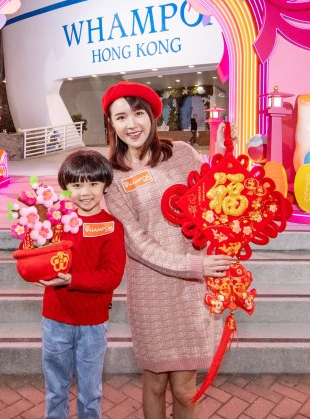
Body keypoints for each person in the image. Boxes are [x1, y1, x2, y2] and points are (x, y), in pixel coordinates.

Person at [100, 82, 236, 419]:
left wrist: (226, 158)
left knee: (186, 388)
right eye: (121, 117)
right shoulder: (113, 178)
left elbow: (213, 201)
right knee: (155, 382)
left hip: (192, 289)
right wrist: (196, 266)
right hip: (151, 289)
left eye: (138, 113)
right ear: (111, 124)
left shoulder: (182, 154)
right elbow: (138, 244)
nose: (132, 124)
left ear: (151, 116)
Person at [39, 149, 126, 419]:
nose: (85, 192)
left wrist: (72, 279)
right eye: (76, 185)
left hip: (93, 323)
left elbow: (111, 276)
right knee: (55, 391)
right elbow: (37, 256)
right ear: (66, 187)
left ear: (106, 185)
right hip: (55, 318)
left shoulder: (112, 226)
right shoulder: (55, 223)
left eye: (93, 183)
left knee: (90, 394)